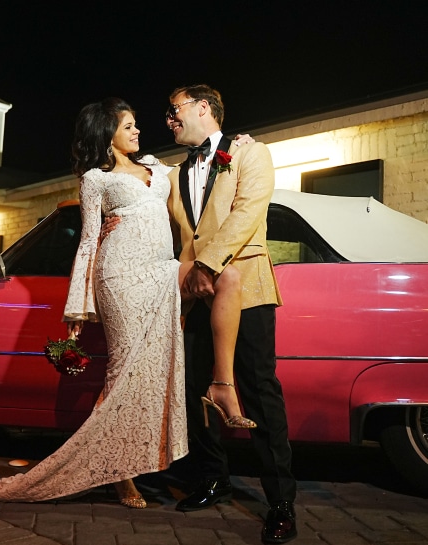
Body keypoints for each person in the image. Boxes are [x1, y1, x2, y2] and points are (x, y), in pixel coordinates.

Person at [0, 97, 254, 509]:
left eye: (134, 125)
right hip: (121, 278)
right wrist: (78, 304)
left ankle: (221, 385)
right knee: (125, 373)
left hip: (163, 269)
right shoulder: (94, 178)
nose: (137, 131)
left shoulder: (154, 165)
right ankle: (119, 473)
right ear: (106, 132)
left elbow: (202, 168)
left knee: (228, 277)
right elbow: (90, 239)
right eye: (128, 126)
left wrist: (236, 148)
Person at [165, 85, 297, 544]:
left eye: (175, 109)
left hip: (248, 289)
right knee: (196, 388)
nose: (169, 118)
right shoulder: (173, 174)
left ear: (203, 108)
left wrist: (207, 264)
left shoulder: (250, 153)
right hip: (197, 295)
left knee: (260, 391)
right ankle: (213, 478)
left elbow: (246, 214)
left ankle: (280, 501)